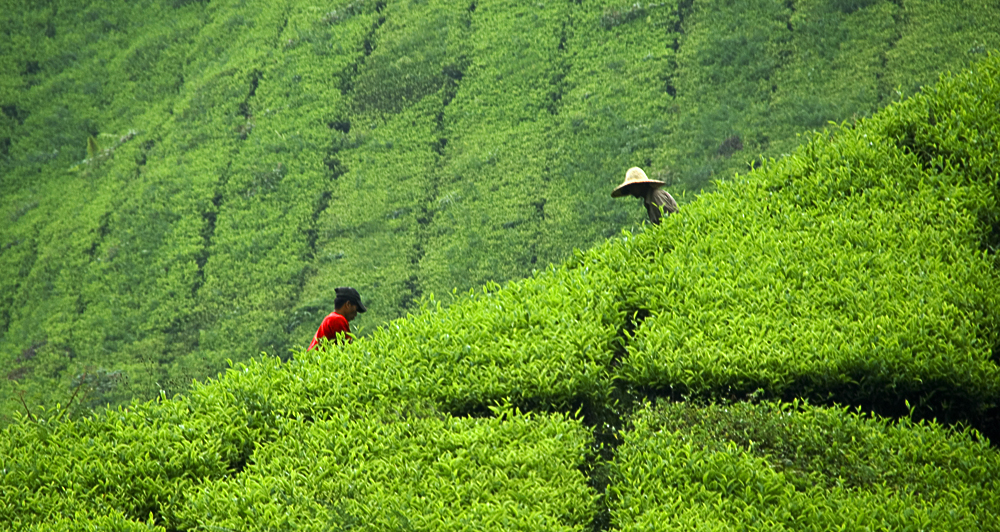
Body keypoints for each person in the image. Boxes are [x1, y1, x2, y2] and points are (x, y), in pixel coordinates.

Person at [611, 166, 679, 224]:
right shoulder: (649, 200)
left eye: (632, 187)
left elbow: (670, 221)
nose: (630, 191)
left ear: (641, 184)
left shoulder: (655, 196)